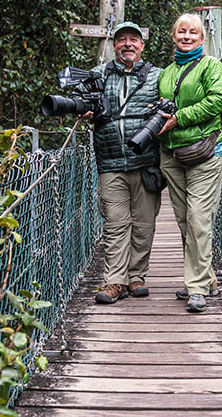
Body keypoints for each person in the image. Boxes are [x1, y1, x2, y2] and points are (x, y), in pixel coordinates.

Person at [158, 13, 222, 313]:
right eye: (182, 31)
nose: (187, 36)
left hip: (205, 152)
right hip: (171, 154)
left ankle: (195, 288)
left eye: (193, 32)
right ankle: (206, 279)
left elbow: (217, 101)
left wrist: (179, 118)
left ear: (203, 39)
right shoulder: (166, 73)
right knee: (185, 222)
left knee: (198, 218)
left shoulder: (212, 66)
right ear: (174, 36)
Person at [82, 21, 162, 304]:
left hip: (146, 162)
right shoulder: (98, 75)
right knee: (115, 224)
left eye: (133, 40)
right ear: (114, 45)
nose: (127, 44)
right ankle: (114, 282)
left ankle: (136, 277)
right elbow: (79, 98)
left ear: (142, 45)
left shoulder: (158, 77)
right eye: (122, 40)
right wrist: (84, 109)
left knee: (143, 224)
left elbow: (186, 95)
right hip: (110, 162)